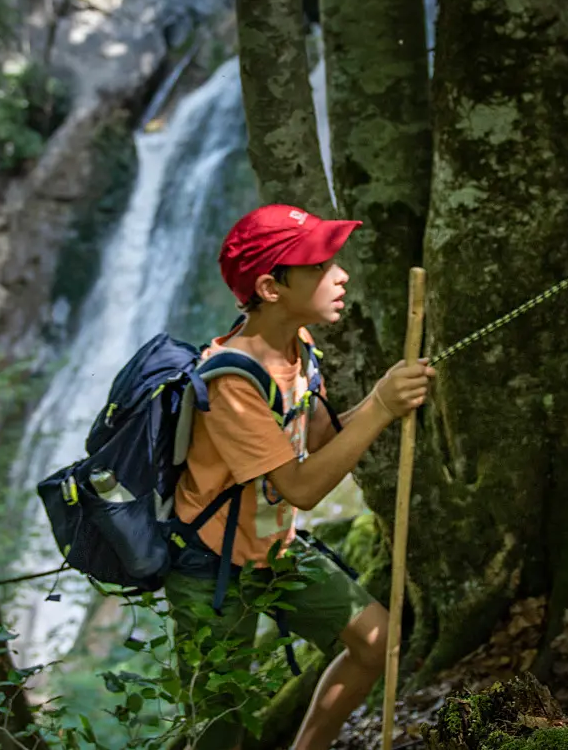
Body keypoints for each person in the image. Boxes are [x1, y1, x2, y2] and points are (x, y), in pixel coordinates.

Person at [166, 204, 435, 750]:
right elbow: (302, 488)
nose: (341, 276)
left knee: (379, 639)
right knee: (223, 725)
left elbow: (322, 442)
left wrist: (386, 395)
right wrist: (381, 407)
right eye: (319, 267)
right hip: (211, 567)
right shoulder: (231, 382)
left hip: (274, 548)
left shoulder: (301, 348)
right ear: (270, 287)